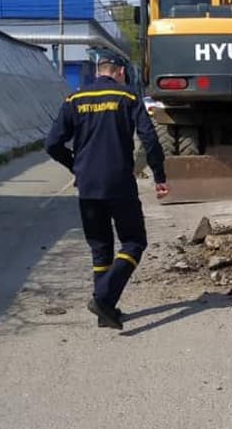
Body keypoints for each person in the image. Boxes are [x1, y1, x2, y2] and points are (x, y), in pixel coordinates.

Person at [45, 55, 169, 330]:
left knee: (100, 248)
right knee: (134, 242)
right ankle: (103, 299)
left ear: (98, 72)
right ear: (121, 72)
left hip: (88, 186)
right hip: (119, 184)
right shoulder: (127, 97)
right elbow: (150, 138)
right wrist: (159, 176)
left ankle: (106, 309)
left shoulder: (73, 100)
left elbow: (52, 144)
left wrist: (75, 166)